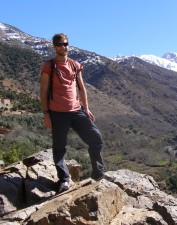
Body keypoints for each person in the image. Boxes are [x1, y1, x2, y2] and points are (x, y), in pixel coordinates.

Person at [40, 33, 114, 193]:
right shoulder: (49, 66)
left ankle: (98, 174)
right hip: (57, 113)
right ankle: (64, 179)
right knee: (59, 148)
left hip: (76, 110)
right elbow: (43, 90)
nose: (63, 47)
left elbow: (81, 88)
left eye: (65, 44)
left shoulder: (75, 65)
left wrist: (86, 108)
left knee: (96, 139)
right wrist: (46, 113)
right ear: (54, 46)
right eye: (59, 44)